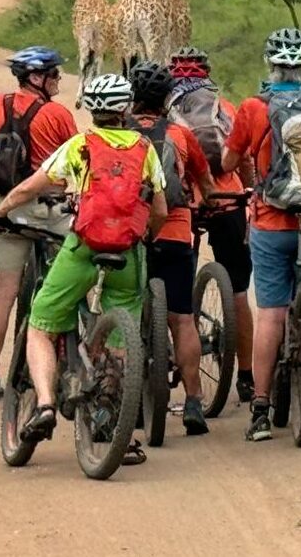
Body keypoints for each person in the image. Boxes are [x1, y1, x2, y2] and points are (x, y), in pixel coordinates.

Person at [0, 73, 167, 464]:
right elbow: (160, 210)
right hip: (126, 253)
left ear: (92, 109)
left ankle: (47, 405)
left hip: (83, 246)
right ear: (125, 109)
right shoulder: (144, 148)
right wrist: (144, 238)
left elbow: (29, 188)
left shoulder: (80, 146)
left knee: (40, 323)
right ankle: (107, 422)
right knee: (120, 346)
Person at [222, 28, 301, 442]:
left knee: (272, 313)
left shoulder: (253, 108)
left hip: (273, 222)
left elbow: (229, 158)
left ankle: (260, 409)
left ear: (270, 64)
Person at [0, 46, 78, 402]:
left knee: (4, 293)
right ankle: (67, 361)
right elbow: (77, 160)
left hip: (9, 212)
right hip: (50, 212)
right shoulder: (58, 114)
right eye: (54, 74)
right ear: (37, 78)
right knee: (73, 282)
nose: (58, 80)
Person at [129, 61, 218, 435]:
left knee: (125, 316)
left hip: (131, 234)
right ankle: (194, 402)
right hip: (176, 232)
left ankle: (123, 402)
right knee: (182, 318)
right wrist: (209, 203)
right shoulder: (181, 135)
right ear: (168, 98)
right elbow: (205, 182)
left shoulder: (119, 133)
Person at [168, 47, 256, 403]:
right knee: (237, 291)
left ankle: (172, 357)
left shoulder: (166, 115)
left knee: (172, 289)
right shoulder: (226, 108)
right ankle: (247, 376)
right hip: (227, 201)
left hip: (185, 205)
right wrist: (249, 191)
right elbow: (243, 158)